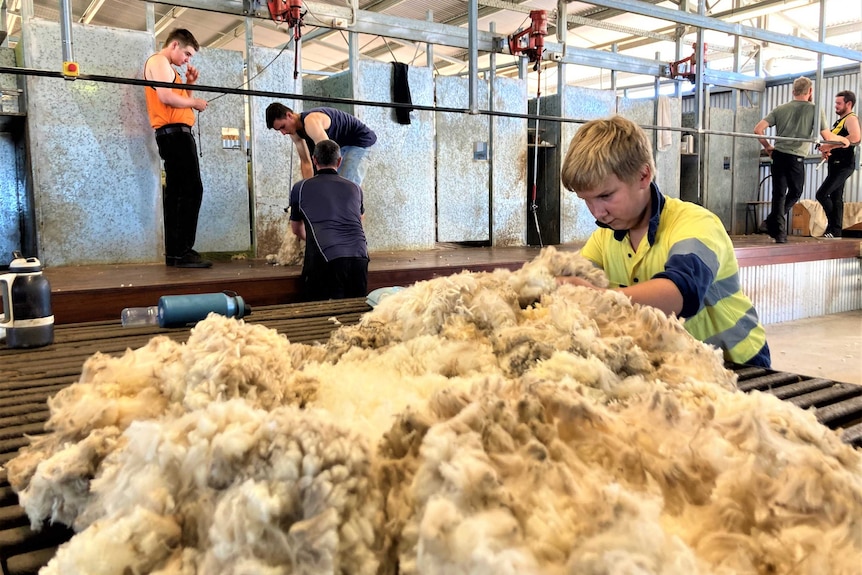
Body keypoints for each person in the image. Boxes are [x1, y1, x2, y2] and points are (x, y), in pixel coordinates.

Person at [558, 115, 771, 368]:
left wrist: (601, 297)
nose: (597, 212)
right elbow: (574, 275)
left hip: (735, 362)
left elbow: (681, 290)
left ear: (643, 175)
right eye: (587, 200)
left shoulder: (696, 225)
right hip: (676, 364)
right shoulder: (605, 236)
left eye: (606, 195)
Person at [144, 28, 212, 268]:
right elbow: (166, 97)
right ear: (174, 45)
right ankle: (180, 251)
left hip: (176, 134)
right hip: (174, 135)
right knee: (190, 190)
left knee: (179, 191)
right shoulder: (159, 61)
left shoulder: (170, 69)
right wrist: (194, 101)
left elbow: (178, 99)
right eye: (187, 53)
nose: (187, 60)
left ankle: (178, 250)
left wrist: (190, 84)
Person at [289, 140, 369, 301]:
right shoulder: (355, 188)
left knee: (321, 315)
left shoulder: (301, 187)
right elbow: (359, 220)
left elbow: (296, 229)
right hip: (360, 256)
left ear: (314, 160)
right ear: (339, 161)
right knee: (356, 311)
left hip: (327, 258)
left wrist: (316, 238)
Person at [754, 76, 830, 244]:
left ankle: (778, 231)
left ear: (793, 91)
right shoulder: (815, 110)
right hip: (796, 157)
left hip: (778, 155)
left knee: (778, 194)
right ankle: (772, 222)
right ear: (810, 91)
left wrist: (767, 147)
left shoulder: (780, 109)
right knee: (795, 192)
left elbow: (758, 129)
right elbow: (826, 136)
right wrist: (844, 141)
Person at [265, 103, 377, 186]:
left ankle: (356, 214)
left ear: (289, 115)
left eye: (283, 127)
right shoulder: (294, 132)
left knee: (346, 187)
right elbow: (306, 162)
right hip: (341, 145)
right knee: (331, 186)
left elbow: (328, 157)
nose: (283, 133)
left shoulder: (310, 122)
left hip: (360, 141)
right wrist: (309, 189)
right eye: (279, 130)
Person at [815, 90, 860, 239]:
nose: (836, 106)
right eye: (836, 103)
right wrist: (826, 149)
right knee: (836, 197)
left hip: (844, 164)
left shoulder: (851, 119)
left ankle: (833, 226)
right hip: (834, 163)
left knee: (822, 194)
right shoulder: (839, 122)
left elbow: (855, 137)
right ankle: (836, 231)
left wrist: (830, 147)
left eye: (839, 103)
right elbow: (835, 140)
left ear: (849, 104)